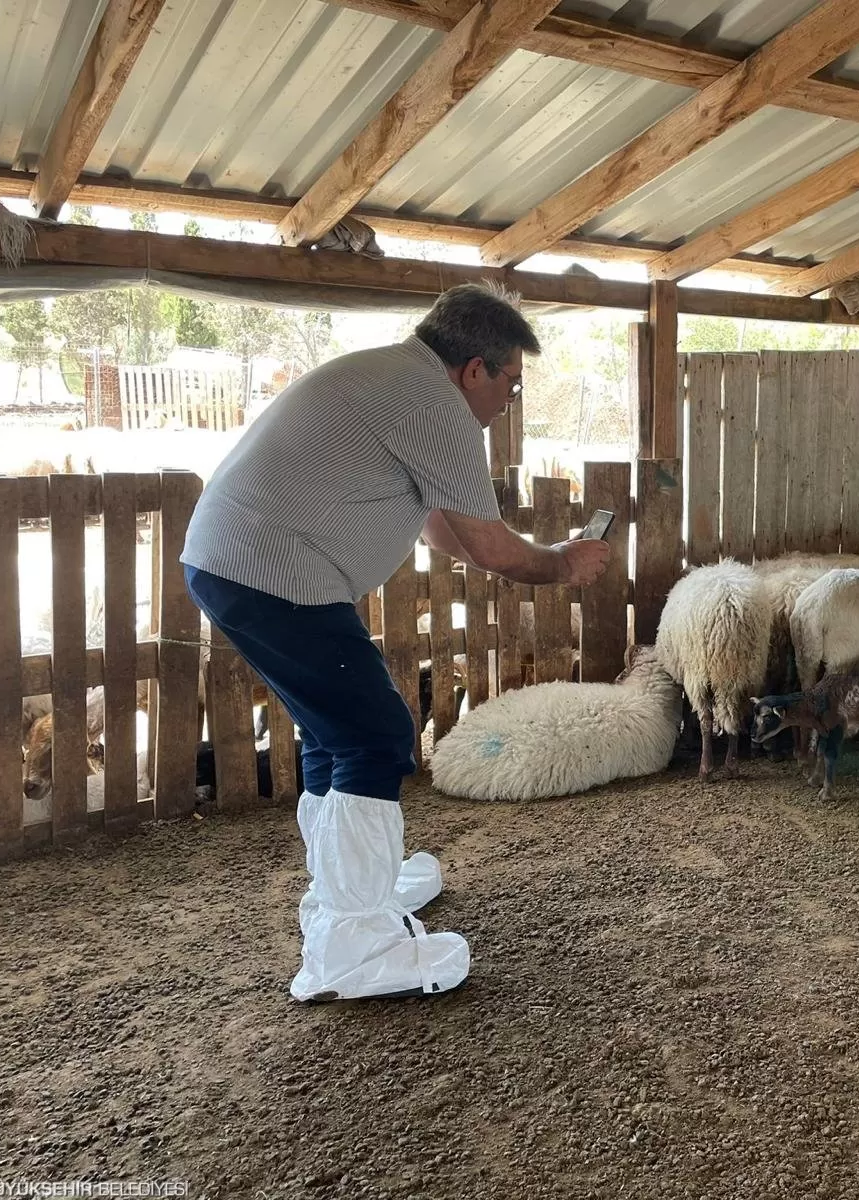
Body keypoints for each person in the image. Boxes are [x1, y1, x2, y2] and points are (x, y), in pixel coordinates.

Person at [180, 282, 611, 1004]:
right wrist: (564, 564)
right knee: (374, 736)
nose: (509, 401)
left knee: (337, 731)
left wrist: (540, 555)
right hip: (270, 569)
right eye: (510, 384)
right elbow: (494, 548)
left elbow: (443, 527)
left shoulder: (394, 378)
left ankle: (353, 888)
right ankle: (353, 945)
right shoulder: (433, 404)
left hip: (246, 563)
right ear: (474, 369)